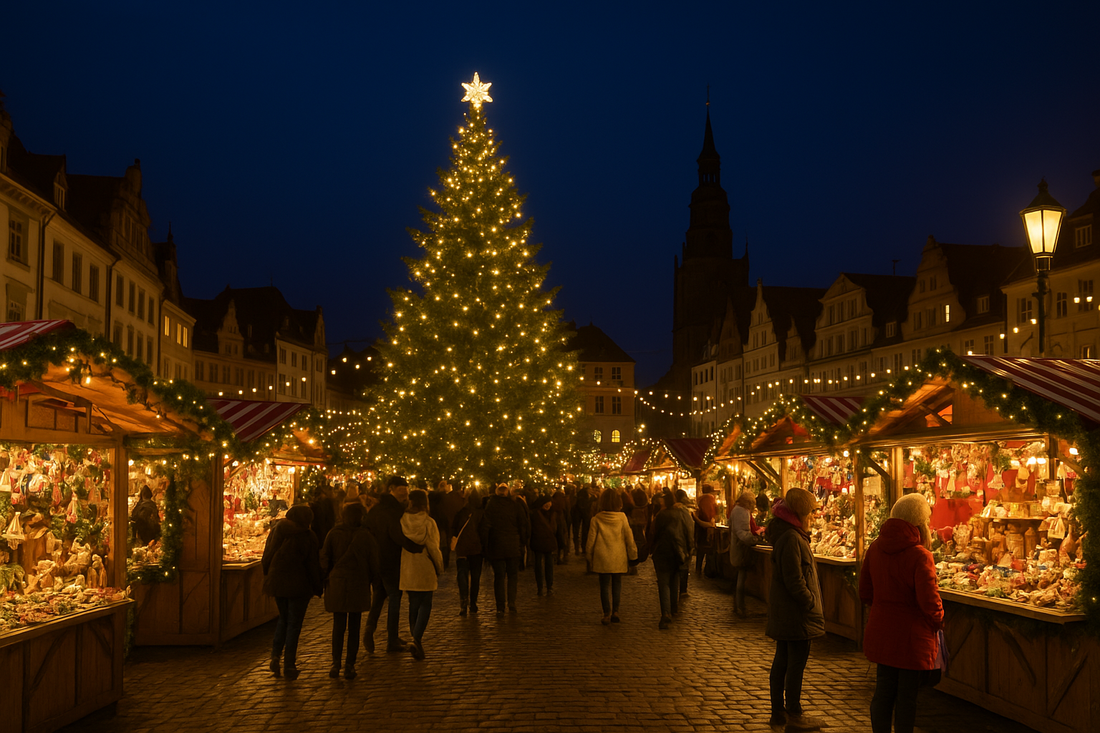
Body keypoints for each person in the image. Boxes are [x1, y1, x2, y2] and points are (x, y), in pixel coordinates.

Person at [861, 493, 944, 733]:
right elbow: (930, 601)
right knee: (907, 699)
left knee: (883, 692)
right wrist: (939, 621)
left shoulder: (875, 548)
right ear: (919, 523)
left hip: (882, 633)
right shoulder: (920, 555)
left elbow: (865, 591)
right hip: (911, 638)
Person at [764, 488, 825, 731]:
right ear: (799, 514)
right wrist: (809, 601)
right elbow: (794, 579)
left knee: (784, 661)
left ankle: (780, 712)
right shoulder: (791, 538)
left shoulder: (790, 534)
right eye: (810, 512)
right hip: (796, 614)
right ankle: (792, 711)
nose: (813, 517)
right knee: (793, 664)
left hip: (788, 612)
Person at [262, 504, 322, 680]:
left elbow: (267, 556)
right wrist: (318, 586)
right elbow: (312, 565)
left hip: (278, 582)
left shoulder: (277, 531)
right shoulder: (308, 536)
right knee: (294, 624)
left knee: (284, 618)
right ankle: (289, 664)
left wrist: (268, 575)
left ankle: (275, 655)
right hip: (299, 585)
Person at [364, 477, 425, 653]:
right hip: (391, 559)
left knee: (379, 596)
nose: (405, 491)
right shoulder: (392, 511)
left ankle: (369, 629)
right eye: (401, 488)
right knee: (395, 599)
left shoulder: (377, 510)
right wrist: (417, 547)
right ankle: (392, 640)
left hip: (376, 560)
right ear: (391, 489)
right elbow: (397, 536)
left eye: (406, 488)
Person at [319, 502, 379, 680]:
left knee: (338, 625)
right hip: (358, 582)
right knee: (354, 625)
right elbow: (374, 562)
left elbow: (325, 557)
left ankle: (336, 663)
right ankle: (349, 665)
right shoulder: (366, 536)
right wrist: (374, 581)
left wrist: (327, 576)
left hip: (337, 582)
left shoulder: (334, 534)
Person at [400, 488, 443, 660]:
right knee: (426, 603)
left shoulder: (402, 520)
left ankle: (414, 637)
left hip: (408, 565)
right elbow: (433, 546)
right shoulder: (428, 522)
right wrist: (439, 565)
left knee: (413, 603)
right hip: (424, 564)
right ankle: (416, 638)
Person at [586, 488, 638, 624]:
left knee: (603, 585)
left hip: (601, 556)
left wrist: (589, 557)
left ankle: (606, 613)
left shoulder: (596, 519)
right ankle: (616, 610)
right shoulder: (622, 518)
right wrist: (633, 555)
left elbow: (590, 541)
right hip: (618, 555)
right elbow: (629, 537)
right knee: (617, 583)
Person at [479, 482, 529, 615]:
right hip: (512, 545)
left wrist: (485, 544)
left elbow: (485, 526)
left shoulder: (491, 505)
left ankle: (500, 606)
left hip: (496, 546)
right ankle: (511, 602)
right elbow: (522, 524)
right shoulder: (514, 504)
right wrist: (522, 542)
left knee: (499, 577)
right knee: (512, 576)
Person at [650, 493, 691, 628]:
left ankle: (666, 613)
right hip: (678, 551)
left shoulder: (661, 515)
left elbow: (653, 533)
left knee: (664, 583)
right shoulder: (681, 514)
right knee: (674, 580)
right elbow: (688, 532)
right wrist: (689, 549)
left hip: (663, 551)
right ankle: (673, 608)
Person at [729, 491, 765, 617]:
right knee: (740, 579)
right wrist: (755, 539)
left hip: (738, 549)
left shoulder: (737, 510)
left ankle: (738, 605)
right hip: (742, 549)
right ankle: (739, 606)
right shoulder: (741, 512)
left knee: (739, 578)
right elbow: (743, 533)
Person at [452, 488, 484, 615]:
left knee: (462, 575)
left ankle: (463, 602)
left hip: (462, 549)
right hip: (477, 549)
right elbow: (484, 531)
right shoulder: (481, 513)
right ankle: (473, 603)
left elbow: (454, 529)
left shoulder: (461, 512)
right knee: (475, 577)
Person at [529, 495, 557, 595]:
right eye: (546, 503)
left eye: (549, 503)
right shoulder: (534, 514)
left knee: (549, 566)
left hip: (549, 542)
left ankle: (549, 586)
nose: (548, 505)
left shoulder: (553, 513)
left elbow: (556, 528)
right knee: (538, 566)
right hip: (538, 542)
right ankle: (540, 587)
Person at [673, 489, 696, 596]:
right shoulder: (684, 512)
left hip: (672, 542)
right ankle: (683, 589)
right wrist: (691, 544)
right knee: (684, 566)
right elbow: (689, 528)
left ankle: (674, 589)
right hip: (682, 541)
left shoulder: (668, 510)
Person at [693, 484, 718, 577]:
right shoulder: (709, 499)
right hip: (706, 527)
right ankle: (707, 570)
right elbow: (710, 513)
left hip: (701, 526)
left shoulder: (701, 499)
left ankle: (698, 569)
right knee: (707, 549)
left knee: (701, 550)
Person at [551, 485, 570, 564]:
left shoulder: (553, 504)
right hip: (561, 523)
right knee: (562, 539)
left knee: (557, 539)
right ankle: (561, 556)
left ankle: (556, 556)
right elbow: (567, 512)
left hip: (556, 523)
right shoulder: (563, 502)